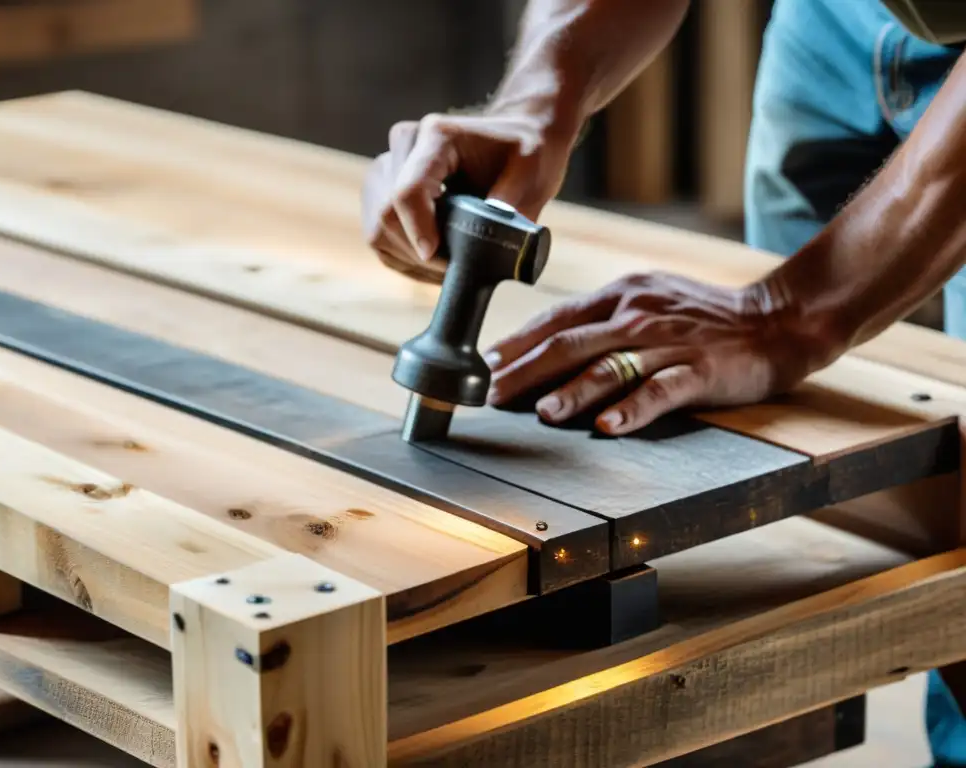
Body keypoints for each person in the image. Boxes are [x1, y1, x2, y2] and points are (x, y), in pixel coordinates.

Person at [360, 0, 966, 763]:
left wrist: (792, 310)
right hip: (832, 20)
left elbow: (803, 313)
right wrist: (534, 102)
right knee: (822, 457)